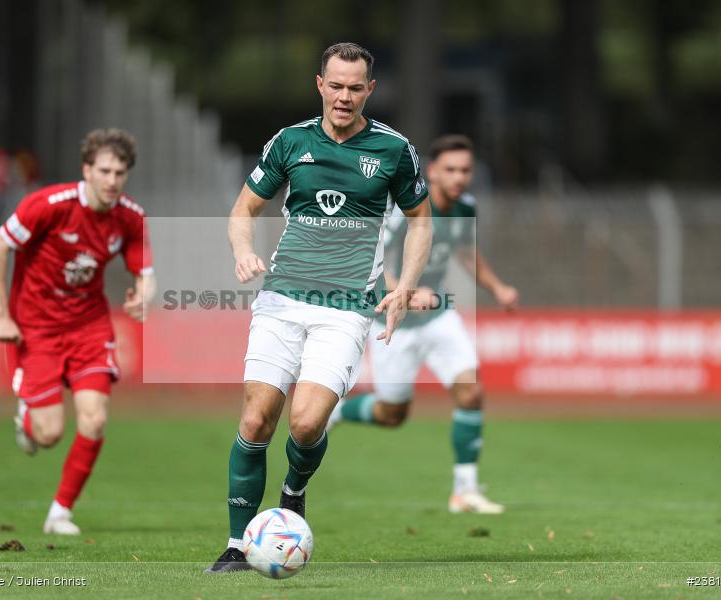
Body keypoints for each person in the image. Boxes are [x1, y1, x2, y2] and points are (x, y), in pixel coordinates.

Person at [206, 42, 433, 573]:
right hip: (281, 299)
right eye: (336, 85)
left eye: (356, 87)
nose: (345, 96)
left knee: (306, 424)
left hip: (346, 308)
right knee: (257, 418)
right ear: (320, 85)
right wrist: (243, 251)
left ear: (370, 90)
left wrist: (404, 286)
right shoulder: (290, 142)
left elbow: (421, 219)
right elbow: (244, 208)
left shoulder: (394, 149)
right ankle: (239, 546)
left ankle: (293, 491)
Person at [327, 134, 518, 514]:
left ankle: (464, 491)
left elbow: (464, 250)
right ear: (431, 171)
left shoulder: (464, 207)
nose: (459, 177)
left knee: (471, 391)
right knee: (392, 414)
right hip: (394, 323)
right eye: (450, 169)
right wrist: (408, 294)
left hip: (439, 316)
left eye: (465, 170)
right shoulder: (404, 211)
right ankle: (340, 411)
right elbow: (370, 262)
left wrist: (497, 288)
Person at [0, 128, 154, 534]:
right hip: (38, 328)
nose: (112, 180)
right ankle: (28, 420)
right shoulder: (48, 205)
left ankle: (60, 512)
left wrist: (143, 297)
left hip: (89, 326)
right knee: (49, 435)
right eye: (105, 171)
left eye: (120, 172)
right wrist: (0, 314)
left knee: (94, 420)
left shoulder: (131, 216)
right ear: (87, 170)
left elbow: (145, 273)